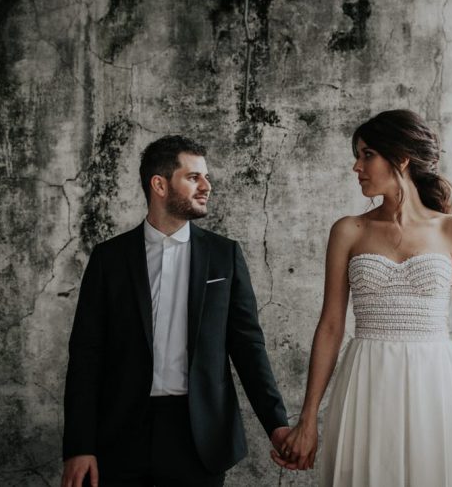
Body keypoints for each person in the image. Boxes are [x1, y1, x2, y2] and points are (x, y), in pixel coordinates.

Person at [272, 110, 452, 485]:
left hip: (437, 384)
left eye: (366, 155)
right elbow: (330, 326)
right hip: (368, 379)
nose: (356, 166)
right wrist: (307, 418)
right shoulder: (348, 231)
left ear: (401, 159)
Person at [61, 135, 290, 487]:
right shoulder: (110, 260)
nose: (207, 186)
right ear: (160, 184)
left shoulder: (224, 255)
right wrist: (79, 446)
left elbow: (248, 348)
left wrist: (276, 425)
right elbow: (86, 356)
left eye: (206, 177)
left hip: (199, 435)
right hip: (120, 435)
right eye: (194, 177)